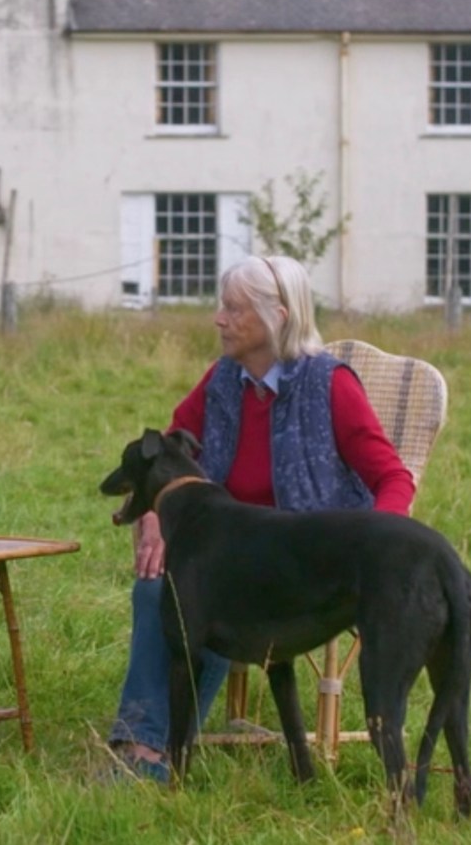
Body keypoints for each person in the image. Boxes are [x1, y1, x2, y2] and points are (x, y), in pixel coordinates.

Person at [109, 254, 414, 782]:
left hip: (308, 565)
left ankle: (152, 752)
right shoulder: (224, 380)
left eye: (234, 309)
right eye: (221, 307)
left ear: (278, 316)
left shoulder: (329, 384)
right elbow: (167, 454)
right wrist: (156, 517)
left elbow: (394, 478)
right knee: (158, 585)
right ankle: (144, 745)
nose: (219, 319)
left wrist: (378, 551)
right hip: (233, 552)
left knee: (202, 595)